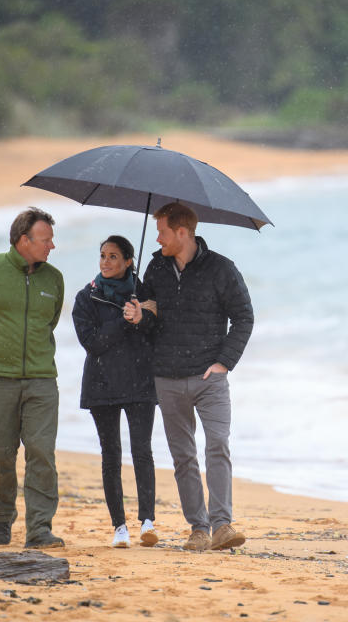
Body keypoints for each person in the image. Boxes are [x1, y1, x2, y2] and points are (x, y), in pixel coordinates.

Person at [125, 202, 254, 552]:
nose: (157, 238)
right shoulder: (154, 267)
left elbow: (244, 317)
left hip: (208, 377)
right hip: (166, 377)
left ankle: (222, 525)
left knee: (218, 446)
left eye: (162, 231)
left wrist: (225, 362)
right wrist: (140, 315)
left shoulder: (222, 269)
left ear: (182, 232)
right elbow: (151, 316)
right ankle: (199, 529)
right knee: (183, 456)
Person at [0, 207, 65, 549]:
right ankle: (2, 519)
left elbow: (50, 323)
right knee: (0, 454)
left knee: (41, 453)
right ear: (24, 240)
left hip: (42, 380)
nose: (52, 246)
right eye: (45, 240)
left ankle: (39, 529)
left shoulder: (54, 279)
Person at [72, 235, 160, 549]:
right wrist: (124, 321)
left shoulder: (146, 292)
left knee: (142, 451)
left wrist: (143, 316)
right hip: (102, 384)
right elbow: (92, 342)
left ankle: (148, 521)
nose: (106, 263)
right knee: (111, 455)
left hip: (139, 381)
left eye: (113, 257)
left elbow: (157, 331)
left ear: (128, 261)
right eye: (103, 256)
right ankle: (119, 527)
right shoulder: (87, 297)